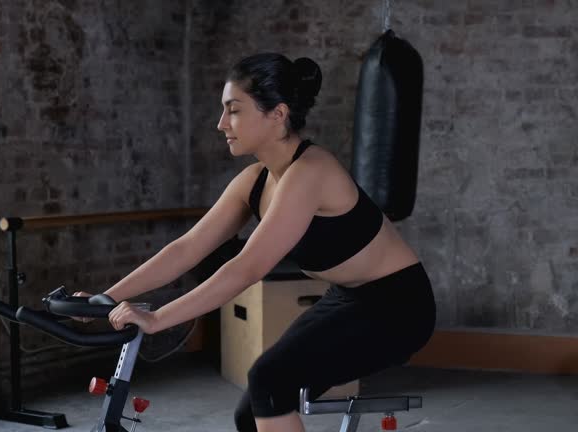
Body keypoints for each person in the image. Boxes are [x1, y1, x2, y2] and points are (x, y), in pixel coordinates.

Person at [76, 53, 436, 432]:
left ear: (277, 114)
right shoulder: (255, 181)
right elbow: (187, 247)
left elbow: (248, 267)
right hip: (347, 299)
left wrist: (156, 319)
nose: (221, 124)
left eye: (233, 110)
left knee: (269, 380)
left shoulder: (312, 172)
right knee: (253, 410)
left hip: (399, 308)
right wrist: (107, 298)